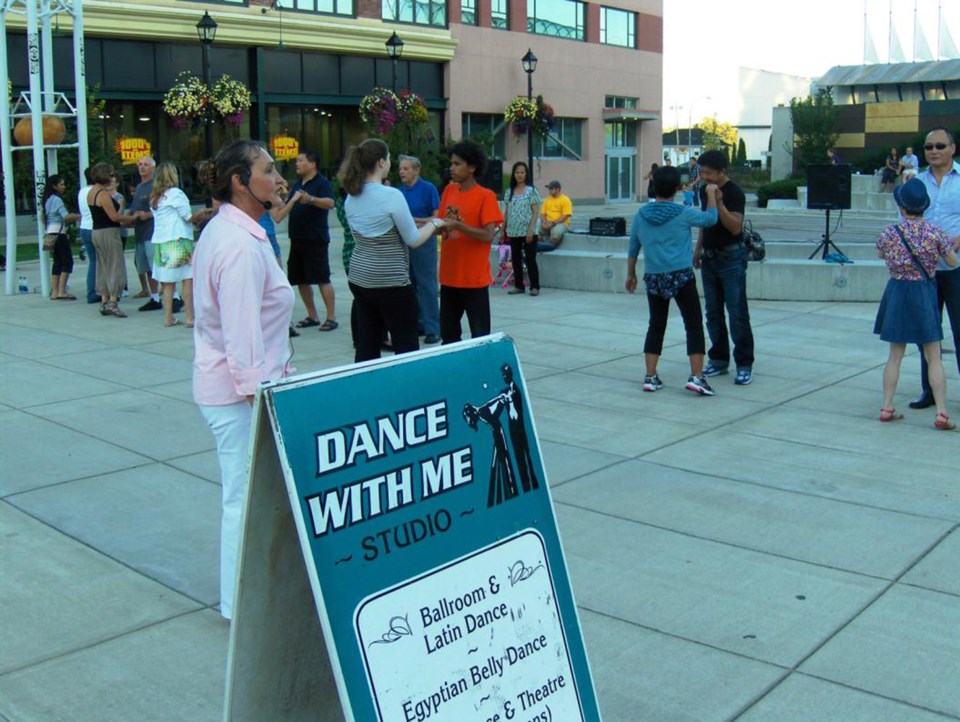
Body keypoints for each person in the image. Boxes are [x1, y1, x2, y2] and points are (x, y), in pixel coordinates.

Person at [192, 140, 295, 622]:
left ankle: (253, 596)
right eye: (268, 170)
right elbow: (242, 337)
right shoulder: (236, 244)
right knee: (243, 499)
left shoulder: (237, 232)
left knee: (250, 498)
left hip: (240, 392)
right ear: (239, 181)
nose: (278, 178)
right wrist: (262, 398)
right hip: (239, 399)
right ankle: (239, 607)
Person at [338, 139, 447, 362]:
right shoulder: (391, 196)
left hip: (360, 277)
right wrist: (436, 223)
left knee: (367, 342)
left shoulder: (352, 196)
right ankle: (406, 393)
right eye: (388, 159)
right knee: (405, 346)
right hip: (391, 281)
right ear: (381, 162)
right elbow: (413, 240)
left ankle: (368, 387)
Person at [628, 165, 719, 396]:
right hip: (681, 275)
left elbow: (633, 247)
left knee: (656, 325)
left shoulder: (641, 215)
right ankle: (697, 377)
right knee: (693, 325)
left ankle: (650, 376)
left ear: (653, 186)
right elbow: (710, 219)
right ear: (677, 188)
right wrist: (710, 195)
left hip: (654, 277)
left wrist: (631, 274)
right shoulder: (682, 212)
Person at [874, 178, 957, 429]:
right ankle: (942, 412)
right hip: (924, 292)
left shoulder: (891, 232)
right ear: (925, 206)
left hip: (898, 292)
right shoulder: (935, 232)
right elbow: (952, 262)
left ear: (901, 207)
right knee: (934, 357)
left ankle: (887, 406)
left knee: (894, 356)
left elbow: (880, 253)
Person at [693, 149, 755, 385]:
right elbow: (704, 222)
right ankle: (718, 360)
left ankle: (744, 363)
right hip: (710, 258)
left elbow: (735, 228)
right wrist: (698, 248)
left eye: (709, 173)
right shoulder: (702, 189)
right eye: (703, 173)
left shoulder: (734, 193)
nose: (705, 177)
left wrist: (718, 203)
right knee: (713, 312)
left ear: (722, 172)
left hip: (731, 259)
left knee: (737, 313)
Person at [909, 128, 960, 410]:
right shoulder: (917, 183)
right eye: (928, 147)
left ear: (953, 148)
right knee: (927, 334)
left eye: (940, 145)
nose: (934, 151)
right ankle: (929, 391)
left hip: (957, 269)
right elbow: (906, 222)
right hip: (925, 272)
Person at [437, 139, 503, 344]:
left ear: (472, 167)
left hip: (474, 280)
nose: (452, 168)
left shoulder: (486, 196)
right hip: (449, 277)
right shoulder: (449, 191)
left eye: (457, 164)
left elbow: (487, 235)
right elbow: (441, 224)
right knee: (448, 337)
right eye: (451, 164)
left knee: (480, 337)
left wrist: (458, 226)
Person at [273, 150, 337, 331]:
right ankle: (312, 315)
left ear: (312, 164)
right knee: (300, 278)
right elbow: (290, 202)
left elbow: (330, 203)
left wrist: (310, 199)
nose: (297, 164)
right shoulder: (298, 183)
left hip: (315, 237)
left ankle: (331, 317)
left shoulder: (322, 183)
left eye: (300, 161)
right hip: (297, 237)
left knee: (322, 277)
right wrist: (285, 196)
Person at [397, 154, 441, 344]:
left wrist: (419, 221)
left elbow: (437, 217)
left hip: (424, 241)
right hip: (404, 242)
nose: (402, 172)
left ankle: (433, 328)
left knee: (427, 285)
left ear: (417, 170)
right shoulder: (398, 192)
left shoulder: (428, 189)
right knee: (409, 285)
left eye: (406, 169)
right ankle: (418, 323)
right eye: (400, 169)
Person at [146, 162, 196, 328]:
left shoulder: (155, 197)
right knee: (187, 279)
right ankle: (190, 317)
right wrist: (203, 217)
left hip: (161, 242)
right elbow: (187, 216)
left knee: (168, 283)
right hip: (178, 240)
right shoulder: (176, 194)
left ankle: (168, 317)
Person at [86, 162, 136, 317]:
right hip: (109, 231)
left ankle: (104, 300)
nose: (112, 177)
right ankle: (113, 301)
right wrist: (131, 218)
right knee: (115, 265)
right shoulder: (103, 194)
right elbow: (114, 216)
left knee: (102, 265)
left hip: (96, 231)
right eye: (110, 174)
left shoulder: (91, 192)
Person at [502, 161, 541, 295]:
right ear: (514, 174)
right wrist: (503, 229)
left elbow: (536, 211)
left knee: (530, 258)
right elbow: (506, 211)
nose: (519, 175)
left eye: (522, 172)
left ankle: (535, 286)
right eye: (517, 172)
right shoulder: (509, 192)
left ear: (526, 174)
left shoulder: (532, 191)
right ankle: (519, 286)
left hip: (528, 230)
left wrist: (531, 229)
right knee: (516, 258)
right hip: (513, 230)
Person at [128, 156, 162, 308]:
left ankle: (172, 295)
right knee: (146, 268)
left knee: (156, 267)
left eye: (146, 165)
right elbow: (134, 208)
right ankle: (154, 297)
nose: (142, 167)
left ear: (153, 168)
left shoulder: (156, 186)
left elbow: (162, 208)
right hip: (140, 233)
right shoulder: (140, 187)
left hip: (152, 232)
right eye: (140, 165)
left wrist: (147, 215)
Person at [42, 174, 80, 300]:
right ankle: (62, 291)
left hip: (50, 232)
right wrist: (78, 216)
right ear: (54, 186)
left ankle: (55, 291)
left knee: (57, 261)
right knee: (67, 261)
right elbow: (65, 216)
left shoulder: (47, 199)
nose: (64, 187)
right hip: (59, 233)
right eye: (61, 184)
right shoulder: (57, 200)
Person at [77, 168, 99, 304]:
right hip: (94, 228)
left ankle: (91, 292)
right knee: (101, 262)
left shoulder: (82, 191)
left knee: (93, 262)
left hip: (84, 227)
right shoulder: (96, 192)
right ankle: (101, 292)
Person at [537, 180, 572, 253]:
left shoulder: (565, 200)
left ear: (558, 189)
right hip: (548, 222)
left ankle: (549, 248)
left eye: (551, 189)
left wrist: (553, 223)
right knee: (535, 232)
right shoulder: (547, 200)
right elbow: (542, 213)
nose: (549, 190)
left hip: (561, 224)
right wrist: (544, 222)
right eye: (549, 189)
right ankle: (542, 247)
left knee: (555, 235)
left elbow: (565, 216)